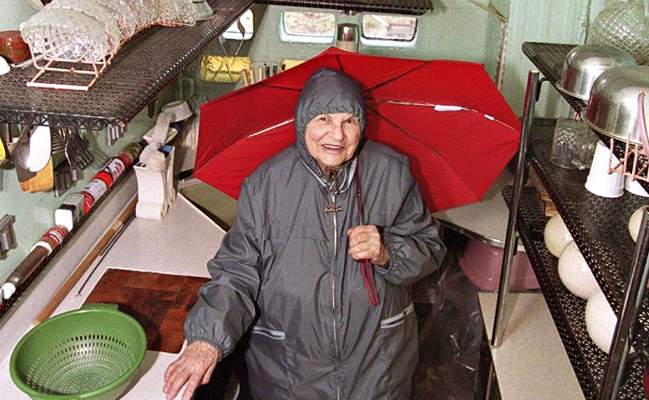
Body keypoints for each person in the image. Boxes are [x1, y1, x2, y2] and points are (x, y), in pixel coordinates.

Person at [163, 67, 447, 400]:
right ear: (303, 123)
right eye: (324, 119)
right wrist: (206, 340)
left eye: (349, 121)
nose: (337, 135)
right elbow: (237, 271)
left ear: (362, 124)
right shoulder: (266, 183)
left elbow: (430, 248)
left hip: (376, 368)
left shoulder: (391, 171)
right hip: (290, 373)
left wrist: (387, 252)